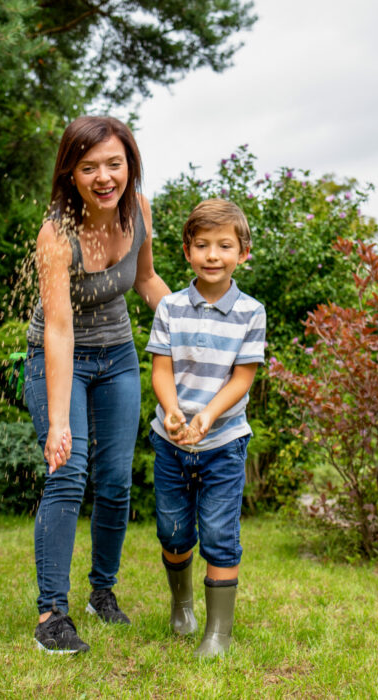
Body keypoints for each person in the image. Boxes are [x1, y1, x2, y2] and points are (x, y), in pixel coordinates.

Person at [25, 116, 170, 654]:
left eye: (114, 163)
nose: (105, 176)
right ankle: (51, 616)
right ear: (71, 173)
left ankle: (101, 594)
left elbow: (148, 279)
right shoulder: (56, 235)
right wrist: (59, 421)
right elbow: (59, 328)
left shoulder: (139, 211)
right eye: (90, 167)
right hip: (57, 359)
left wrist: (188, 322)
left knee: (114, 482)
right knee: (68, 472)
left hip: (119, 357)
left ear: (129, 163)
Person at [146, 198, 265, 657]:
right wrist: (172, 411)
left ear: (243, 253)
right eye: (202, 245)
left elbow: (243, 378)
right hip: (172, 441)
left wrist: (207, 416)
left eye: (224, 246)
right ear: (187, 252)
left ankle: (217, 633)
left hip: (223, 442)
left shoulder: (251, 313)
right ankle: (182, 605)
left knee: (218, 533)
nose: (212, 255)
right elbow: (160, 370)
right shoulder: (171, 308)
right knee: (173, 532)